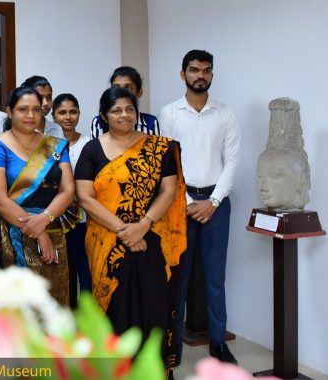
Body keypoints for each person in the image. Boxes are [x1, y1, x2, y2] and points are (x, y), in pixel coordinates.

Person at [75, 87, 186, 372]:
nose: (124, 115)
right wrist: (125, 230)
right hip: (107, 242)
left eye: (129, 109)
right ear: (104, 116)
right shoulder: (92, 150)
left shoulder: (160, 147)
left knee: (153, 308)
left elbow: (168, 191)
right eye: (116, 110)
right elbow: (85, 197)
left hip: (152, 240)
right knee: (115, 310)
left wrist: (143, 226)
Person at [160, 50, 241, 365]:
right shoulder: (170, 113)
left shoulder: (225, 113)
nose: (200, 75)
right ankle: (173, 346)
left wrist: (214, 202)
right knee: (178, 277)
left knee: (215, 278)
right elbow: (169, 162)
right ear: (183, 74)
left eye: (206, 70)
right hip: (180, 203)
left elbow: (232, 161)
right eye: (194, 70)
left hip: (217, 204)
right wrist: (190, 203)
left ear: (212, 75)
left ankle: (218, 342)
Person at [0, 86, 74, 306]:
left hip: (53, 228)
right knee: (19, 306)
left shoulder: (54, 146)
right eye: (23, 109)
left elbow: (68, 190)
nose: (31, 115)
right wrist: (39, 232)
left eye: (36, 109)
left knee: (54, 300)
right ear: (9, 112)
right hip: (12, 232)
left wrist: (45, 219)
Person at [52, 93, 93, 307]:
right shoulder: (48, 144)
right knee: (63, 270)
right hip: (56, 220)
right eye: (62, 112)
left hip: (85, 219)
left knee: (86, 271)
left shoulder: (89, 143)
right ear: (53, 115)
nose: (68, 117)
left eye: (73, 112)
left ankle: (87, 317)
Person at [90, 66, 160, 137]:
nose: (121, 93)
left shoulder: (151, 122)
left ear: (139, 92)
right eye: (116, 88)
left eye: (127, 88)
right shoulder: (99, 122)